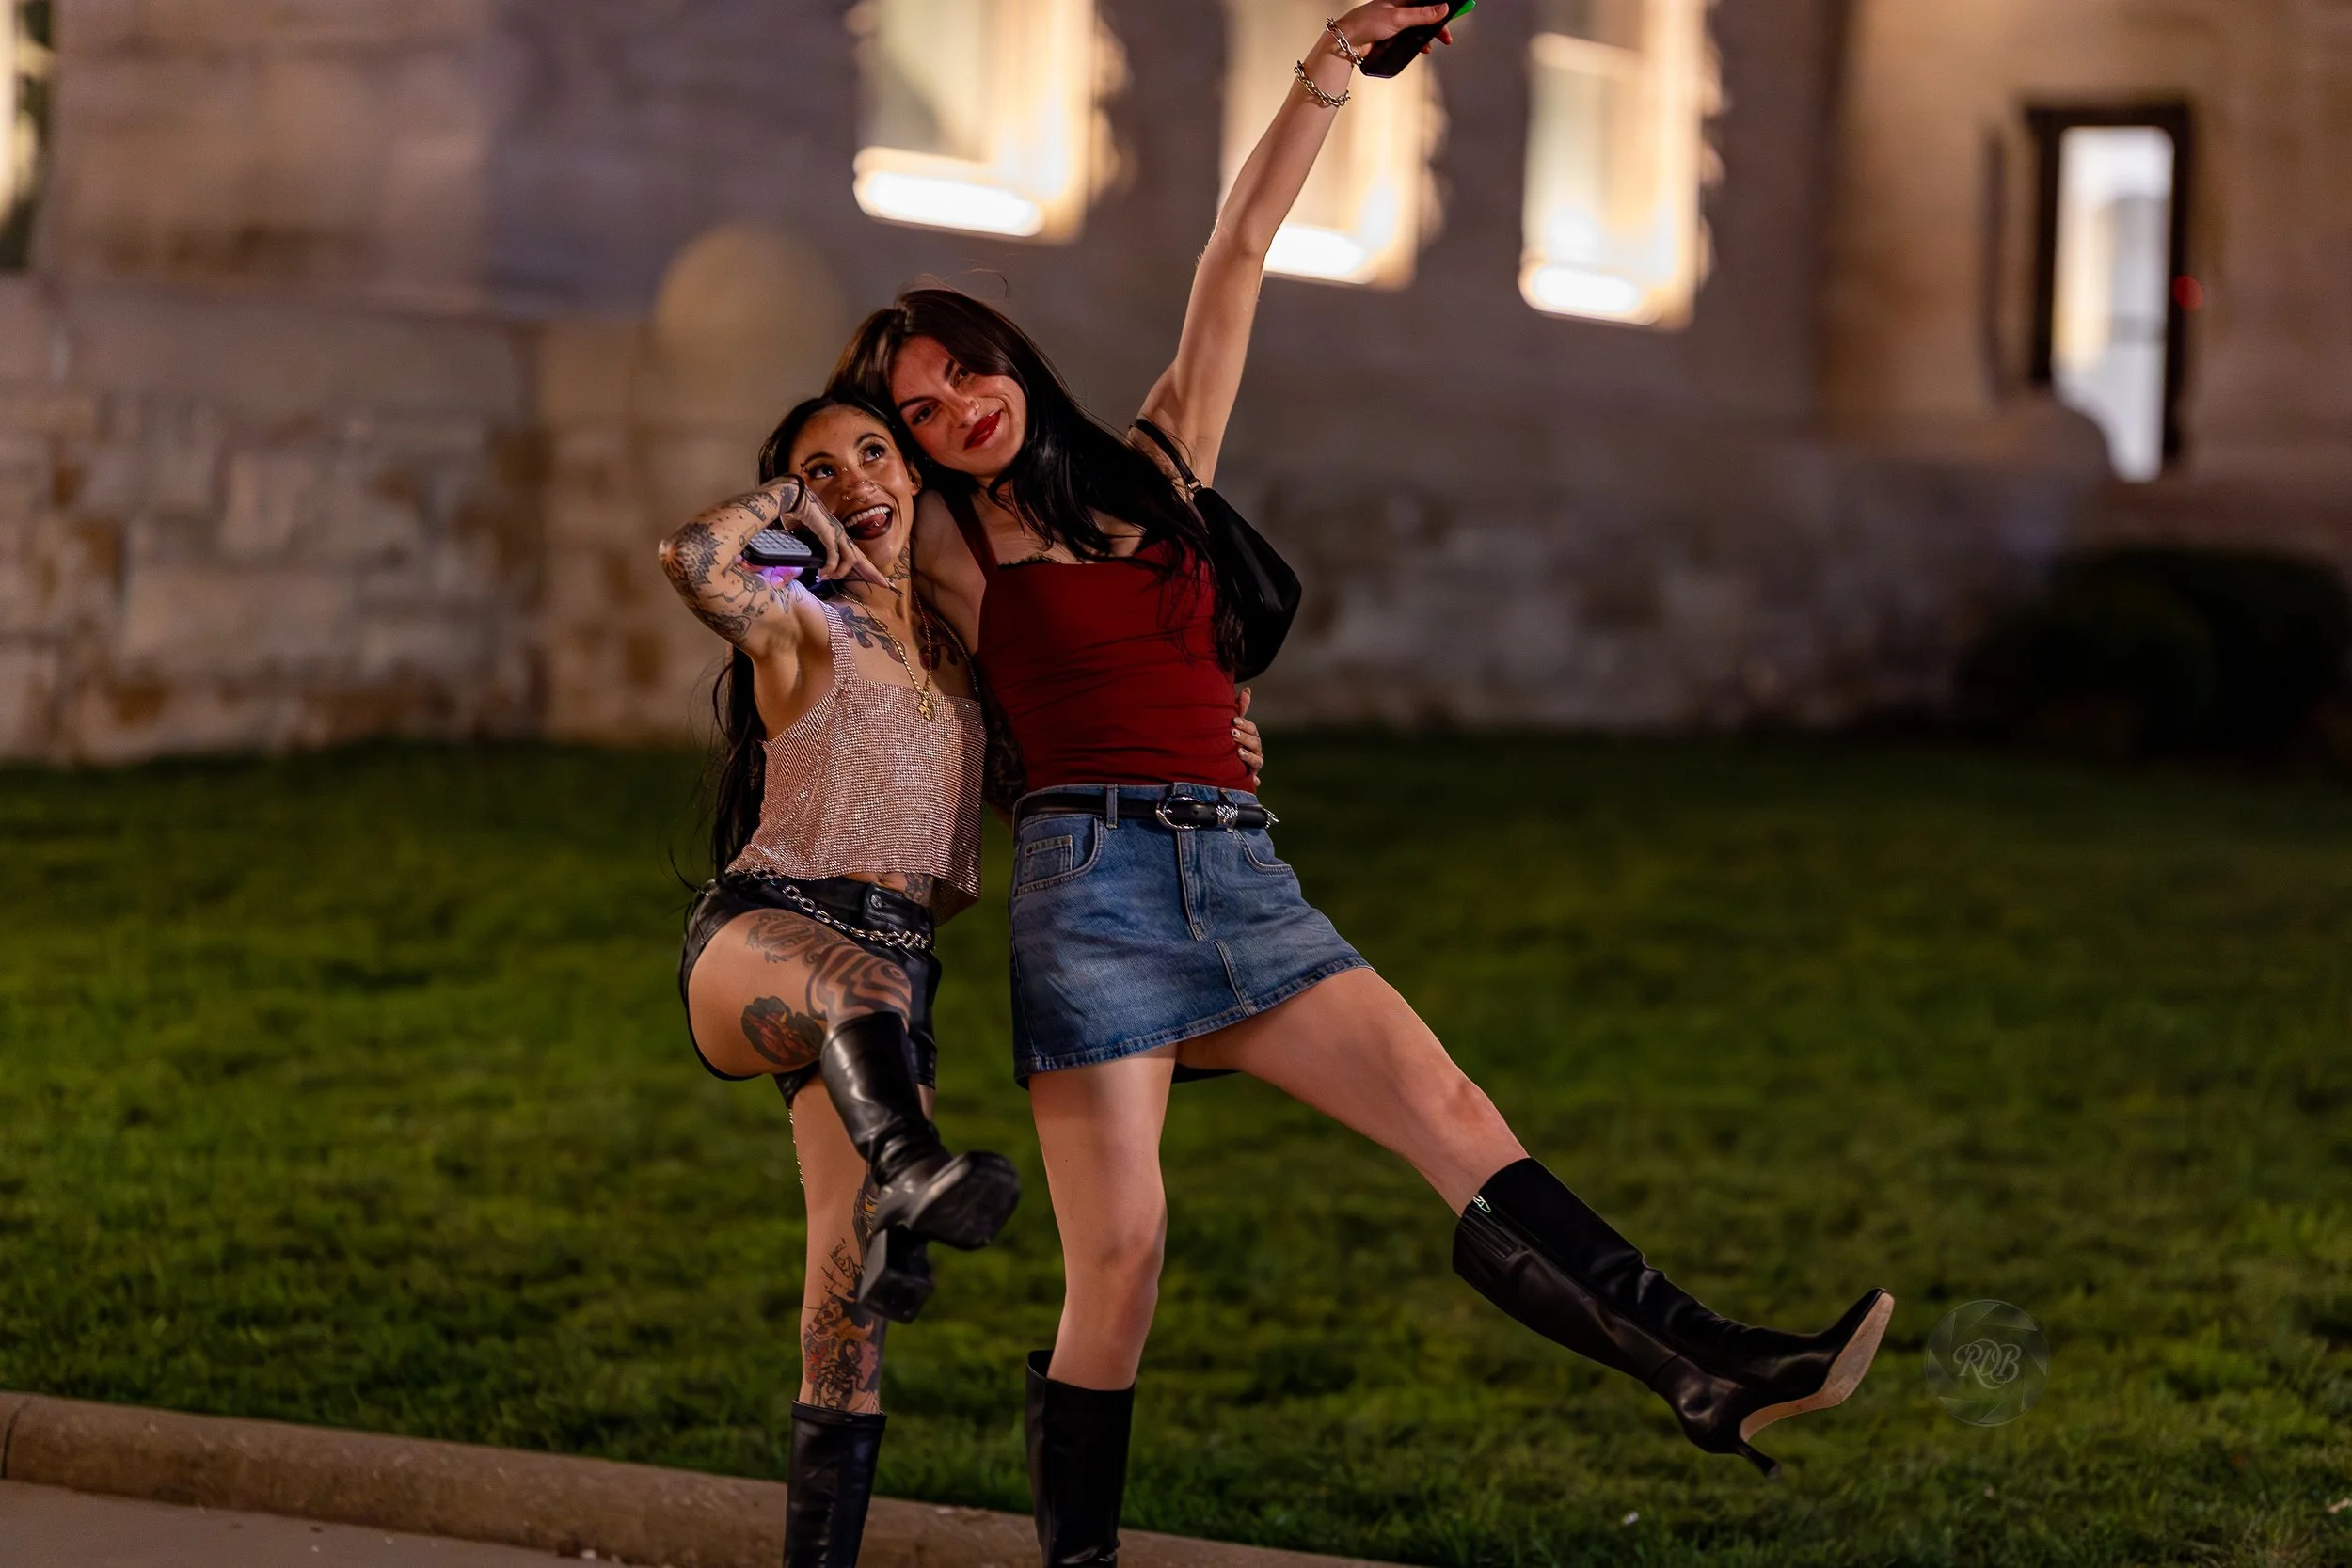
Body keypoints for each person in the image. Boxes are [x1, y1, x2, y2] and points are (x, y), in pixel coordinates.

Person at [833, 6, 1894, 1560]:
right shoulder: (939, 542)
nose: (955, 413)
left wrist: (1329, 68)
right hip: (1094, 889)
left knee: (1455, 1109)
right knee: (1120, 1258)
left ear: (1007, 356)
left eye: (961, 375)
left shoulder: (1159, 466)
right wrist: (837, 479)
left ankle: (1710, 1369)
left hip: (1238, 869)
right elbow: (779, 532)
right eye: (918, 411)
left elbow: (1237, 250)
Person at [658, 395, 1263, 1567]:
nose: (850, 480)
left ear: (921, 473)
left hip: (894, 983)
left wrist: (1217, 741)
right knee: (857, 983)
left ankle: (903, 1189)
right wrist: (800, 509)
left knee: (844, 1316)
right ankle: (917, 1174)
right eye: (817, 469)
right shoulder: (796, 609)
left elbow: (1092, 761)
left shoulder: (966, 658)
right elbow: (696, 555)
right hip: (765, 932)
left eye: (873, 454)